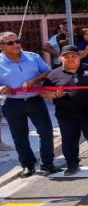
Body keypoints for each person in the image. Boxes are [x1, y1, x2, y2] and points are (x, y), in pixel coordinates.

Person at [0, 31, 61, 177]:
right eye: (11, 43)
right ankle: (27, 165)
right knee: (19, 135)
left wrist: (34, 81)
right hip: (12, 103)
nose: (16, 45)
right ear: (1, 46)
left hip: (35, 100)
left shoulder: (33, 57)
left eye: (18, 41)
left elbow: (48, 72)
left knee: (46, 132)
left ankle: (47, 163)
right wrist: (1, 88)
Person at [41, 46, 88, 175]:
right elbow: (43, 92)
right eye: (67, 57)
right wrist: (54, 95)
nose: (70, 59)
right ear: (61, 58)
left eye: (74, 56)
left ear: (79, 57)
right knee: (69, 140)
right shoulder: (53, 74)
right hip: (66, 115)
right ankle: (72, 164)